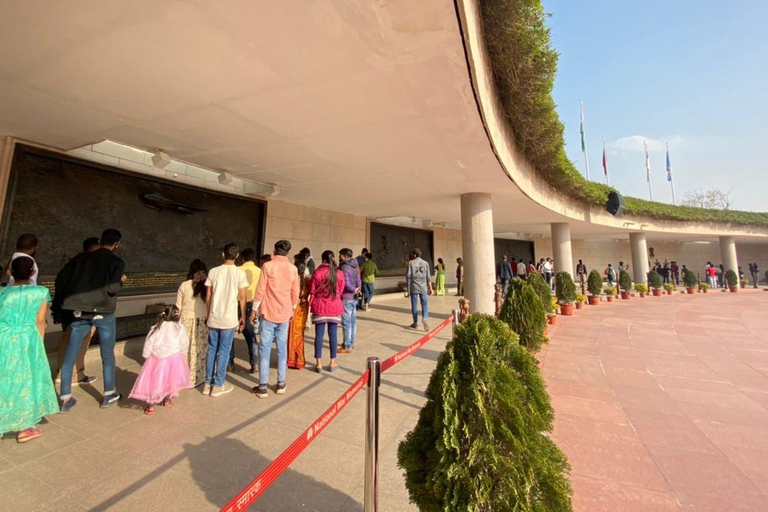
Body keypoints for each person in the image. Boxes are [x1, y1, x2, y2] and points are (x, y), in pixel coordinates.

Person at [58, 229, 126, 412]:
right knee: (107, 354)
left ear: (100, 240)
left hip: (80, 310)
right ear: (116, 244)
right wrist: (121, 281)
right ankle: (108, 393)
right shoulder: (116, 262)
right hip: (103, 312)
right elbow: (112, 288)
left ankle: (64, 397)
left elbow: (67, 278)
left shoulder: (82, 258)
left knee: (71, 352)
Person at [0, 256, 59, 443]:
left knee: (5, 378)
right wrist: (38, 343)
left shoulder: (2, 293)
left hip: (4, 337)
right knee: (27, 379)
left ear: (10, 272)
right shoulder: (41, 292)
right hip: (28, 339)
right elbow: (40, 321)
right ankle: (25, 426)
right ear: (33, 272)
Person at [250, 240, 300, 399]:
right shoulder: (293, 269)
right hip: (284, 313)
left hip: (268, 312)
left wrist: (253, 310)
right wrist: (292, 309)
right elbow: (295, 292)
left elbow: (260, 290)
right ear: (288, 252)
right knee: (281, 348)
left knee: (264, 348)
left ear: (274, 250)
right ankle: (281, 383)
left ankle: (263, 386)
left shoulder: (268, 266)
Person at [52, 237, 100, 389]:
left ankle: (61, 373)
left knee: (67, 340)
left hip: (68, 309)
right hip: (84, 311)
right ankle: (76, 375)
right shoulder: (89, 265)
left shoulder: (74, 262)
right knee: (81, 342)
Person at [203, 243, 248, 398]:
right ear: (236, 256)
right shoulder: (239, 273)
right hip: (229, 319)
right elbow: (242, 298)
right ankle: (218, 384)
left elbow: (208, 296)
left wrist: (209, 313)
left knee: (211, 349)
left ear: (222, 254)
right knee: (224, 351)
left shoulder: (214, 271)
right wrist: (242, 316)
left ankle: (207, 382)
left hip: (214, 317)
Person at [129, 305, 191, 415]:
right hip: (174, 358)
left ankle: (151, 407)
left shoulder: (156, 328)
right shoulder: (179, 328)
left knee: (155, 382)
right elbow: (184, 342)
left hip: (157, 359)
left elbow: (149, 342)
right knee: (170, 381)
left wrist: (147, 355)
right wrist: (182, 351)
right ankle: (166, 400)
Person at [308, 250, 345, 373]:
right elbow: (341, 290)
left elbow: (312, 290)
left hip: (320, 307)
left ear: (322, 259)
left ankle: (318, 363)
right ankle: (332, 361)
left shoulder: (317, 273)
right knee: (333, 335)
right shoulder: (339, 273)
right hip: (334, 307)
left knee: (319, 335)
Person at [176, 259, 209, 387]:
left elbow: (178, 306)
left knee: (184, 349)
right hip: (202, 320)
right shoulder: (207, 286)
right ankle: (197, 377)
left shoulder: (184, 285)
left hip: (185, 320)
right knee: (200, 349)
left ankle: (183, 377)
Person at [229, 248, 260, 374]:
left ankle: (230, 363)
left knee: (230, 333)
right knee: (250, 334)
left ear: (242, 258)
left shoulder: (237, 270)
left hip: (235, 303)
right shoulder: (259, 271)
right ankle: (254, 362)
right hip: (251, 305)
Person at [287, 255, 310, 370]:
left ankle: (291, 359)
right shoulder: (307, 280)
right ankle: (299, 359)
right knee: (300, 335)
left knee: (290, 335)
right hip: (303, 309)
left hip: (293, 309)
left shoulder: (292, 279)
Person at [339, 248, 361, 353]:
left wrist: (353, 289)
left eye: (340, 255)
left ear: (344, 255)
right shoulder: (356, 266)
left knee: (346, 322)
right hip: (354, 297)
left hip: (346, 297)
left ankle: (347, 346)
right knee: (353, 321)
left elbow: (346, 283)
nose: (339, 257)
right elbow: (358, 280)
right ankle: (351, 343)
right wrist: (357, 289)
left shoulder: (344, 267)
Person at [407, 248, 433, 331]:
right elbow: (428, 277)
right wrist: (430, 288)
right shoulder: (426, 263)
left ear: (414, 255)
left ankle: (415, 323)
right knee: (424, 304)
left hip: (414, 287)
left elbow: (408, 276)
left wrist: (408, 290)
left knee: (414, 305)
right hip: (423, 287)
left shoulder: (411, 263)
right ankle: (425, 318)